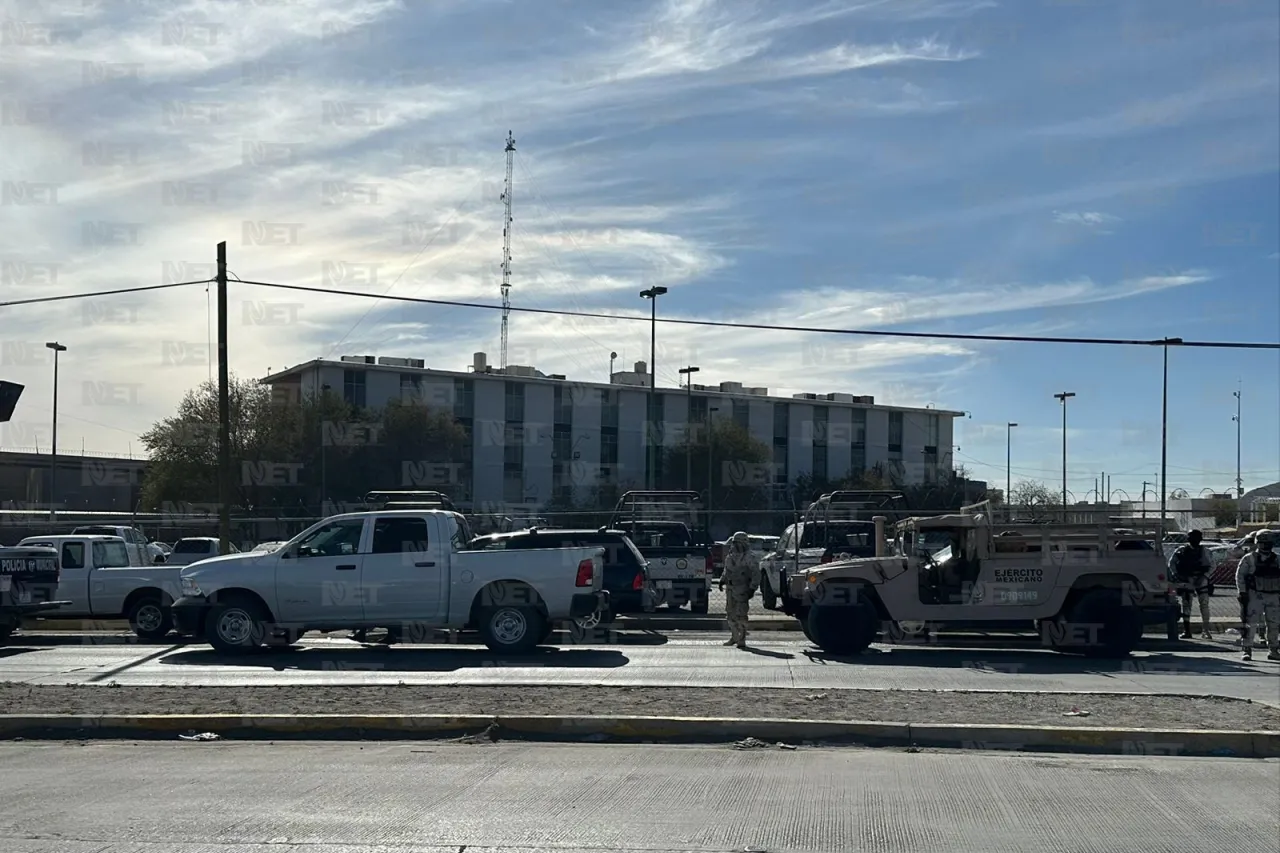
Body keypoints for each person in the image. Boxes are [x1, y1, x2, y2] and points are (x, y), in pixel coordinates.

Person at [1236, 529, 1280, 662]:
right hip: (1255, 594)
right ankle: (1247, 650)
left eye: (1268, 543)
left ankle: (1273, 649)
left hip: (1273, 595)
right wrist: (1242, 592)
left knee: (1274, 624)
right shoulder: (1249, 558)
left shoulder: (1277, 558)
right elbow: (1240, 576)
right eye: (1262, 543)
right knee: (1250, 623)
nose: (1265, 546)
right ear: (1258, 543)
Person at [1168, 529, 1214, 639]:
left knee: (1203, 605)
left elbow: (1212, 565)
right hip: (1188, 580)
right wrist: (1177, 576)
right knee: (1187, 605)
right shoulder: (1181, 551)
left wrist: (1204, 576)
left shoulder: (1204, 551)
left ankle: (1205, 631)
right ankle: (1188, 631)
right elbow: (1172, 564)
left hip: (1200, 579)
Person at [719, 531, 761, 649]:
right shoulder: (731, 556)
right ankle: (734, 636)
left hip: (742, 589)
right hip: (731, 589)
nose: (735, 545)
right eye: (734, 543)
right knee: (730, 613)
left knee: (741, 615)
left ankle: (742, 638)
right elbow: (726, 570)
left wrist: (752, 588)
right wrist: (722, 580)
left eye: (737, 543)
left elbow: (756, 574)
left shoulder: (750, 557)